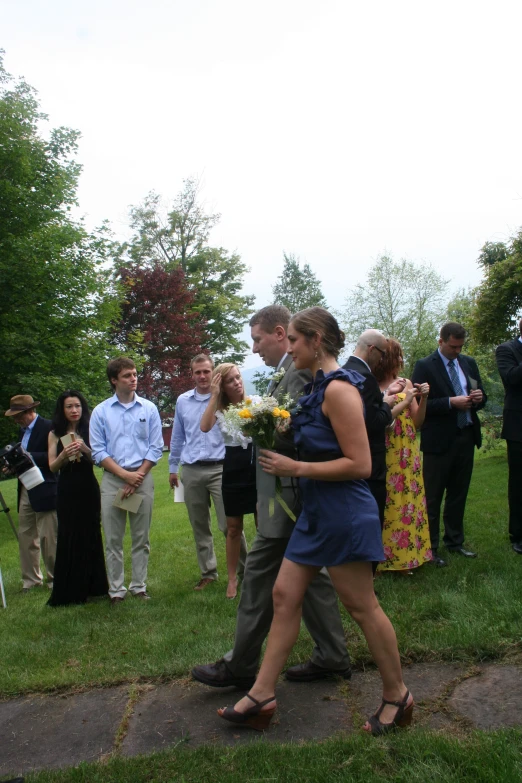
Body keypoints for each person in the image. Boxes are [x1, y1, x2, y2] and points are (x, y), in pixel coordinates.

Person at [217, 307, 412, 735]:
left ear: (316, 340)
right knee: (285, 595)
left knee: (362, 607)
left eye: (294, 341)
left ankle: (398, 697)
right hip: (315, 512)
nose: (288, 348)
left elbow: (360, 464)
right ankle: (262, 694)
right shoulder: (316, 387)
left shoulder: (340, 390)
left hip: (343, 511)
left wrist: (297, 469)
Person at [192, 304, 352, 691]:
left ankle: (242, 665)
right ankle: (332, 656)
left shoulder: (298, 372)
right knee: (311, 578)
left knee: (261, 573)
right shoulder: (287, 371)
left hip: (289, 494)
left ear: (279, 333)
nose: (254, 349)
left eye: (257, 339)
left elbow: (298, 429)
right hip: (287, 491)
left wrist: (259, 427)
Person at [169, 355, 247, 591]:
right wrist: (173, 467)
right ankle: (208, 572)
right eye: (197, 372)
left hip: (221, 468)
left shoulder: (225, 399)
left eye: (206, 371)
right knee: (199, 525)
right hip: (192, 470)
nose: (202, 376)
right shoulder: (183, 401)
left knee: (230, 525)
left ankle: (246, 569)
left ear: (214, 373)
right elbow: (178, 436)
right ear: (191, 374)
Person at [89, 358, 163, 605]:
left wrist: (136, 477)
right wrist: (124, 476)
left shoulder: (148, 409)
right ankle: (116, 590)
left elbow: (156, 447)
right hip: (113, 482)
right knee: (113, 539)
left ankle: (139, 586)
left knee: (141, 538)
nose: (134, 378)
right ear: (113, 380)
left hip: (142, 478)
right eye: (127, 375)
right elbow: (98, 452)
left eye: (135, 374)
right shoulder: (101, 412)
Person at [412, 323, 486, 565]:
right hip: (438, 441)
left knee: (458, 494)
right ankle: (430, 549)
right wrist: (450, 402)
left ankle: (454, 542)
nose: (457, 351)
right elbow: (419, 405)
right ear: (441, 341)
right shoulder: (425, 366)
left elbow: (480, 395)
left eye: (460, 346)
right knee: (433, 497)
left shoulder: (468, 363)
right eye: (453, 346)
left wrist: (478, 398)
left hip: (465, 436)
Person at [373, 340, 433, 573]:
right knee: (388, 501)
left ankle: (409, 556)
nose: (401, 361)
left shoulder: (406, 382)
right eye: (397, 357)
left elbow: (416, 422)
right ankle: (385, 560)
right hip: (384, 449)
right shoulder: (370, 384)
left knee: (408, 501)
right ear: (385, 358)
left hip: (407, 451)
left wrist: (424, 398)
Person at [46, 391, 108, 606]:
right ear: (62, 410)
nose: (74, 410)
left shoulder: (91, 430)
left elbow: (100, 461)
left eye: (77, 406)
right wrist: (64, 455)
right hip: (67, 488)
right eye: (69, 407)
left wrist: (86, 449)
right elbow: (52, 466)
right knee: (69, 534)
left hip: (88, 487)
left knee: (91, 531)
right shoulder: (54, 434)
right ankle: (71, 588)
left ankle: (96, 585)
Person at [200, 363, 256, 599]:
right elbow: (204, 427)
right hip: (232, 467)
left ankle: (263, 573)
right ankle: (232, 579)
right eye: (231, 380)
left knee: (264, 524)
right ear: (222, 386)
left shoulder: (255, 403)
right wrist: (213, 396)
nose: (237, 382)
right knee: (233, 528)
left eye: (238, 377)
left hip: (256, 466)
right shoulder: (220, 409)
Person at [343, 330, 402, 527]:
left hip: (348, 459)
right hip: (371, 464)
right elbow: (373, 423)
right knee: (372, 522)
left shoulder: (344, 371)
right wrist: (387, 404)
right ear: (371, 349)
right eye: (383, 353)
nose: (383, 359)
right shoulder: (365, 377)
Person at [3, 394, 58, 592]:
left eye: (18, 416)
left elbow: (54, 457)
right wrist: (13, 465)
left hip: (45, 486)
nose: (16, 420)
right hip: (25, 487)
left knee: (48, 537)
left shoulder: (49, 427)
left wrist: (27, 457)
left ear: (29, 412)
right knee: (26, 535)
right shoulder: (22, 432)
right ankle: (31, 580)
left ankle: (55, 579)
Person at [495, 320, 522, 555]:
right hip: (519, 425)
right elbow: (512, 378)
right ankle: (519, 534)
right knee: (519, 481)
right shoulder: (507, 350)